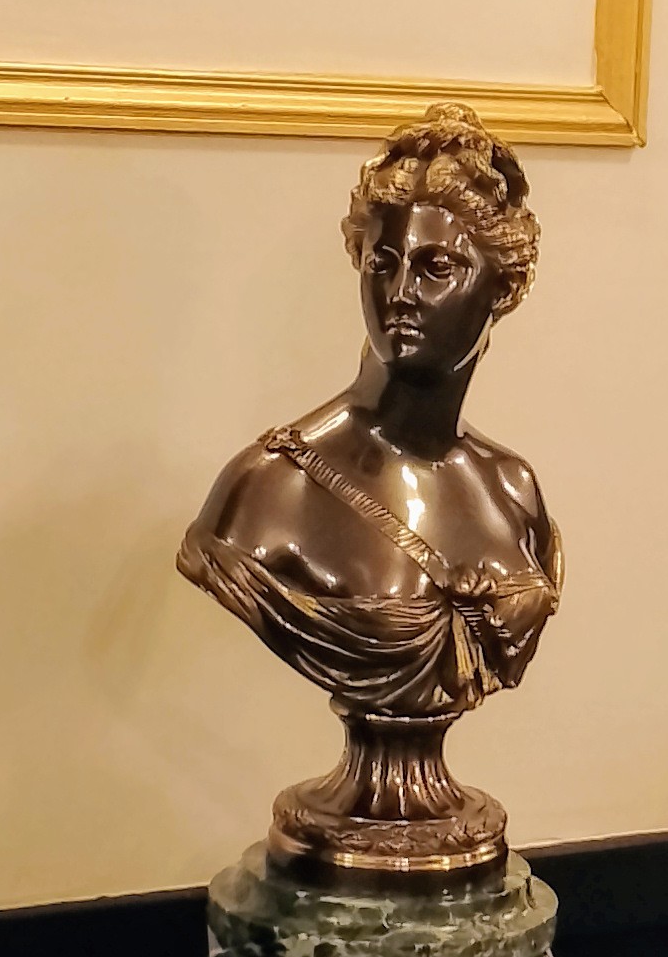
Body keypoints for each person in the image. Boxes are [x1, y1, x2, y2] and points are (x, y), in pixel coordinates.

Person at [179, 103, 562, 875]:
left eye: (436, 267)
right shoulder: (270, 491)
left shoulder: (513, 492)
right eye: (381, 263)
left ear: (503, 285)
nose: (400, 293)